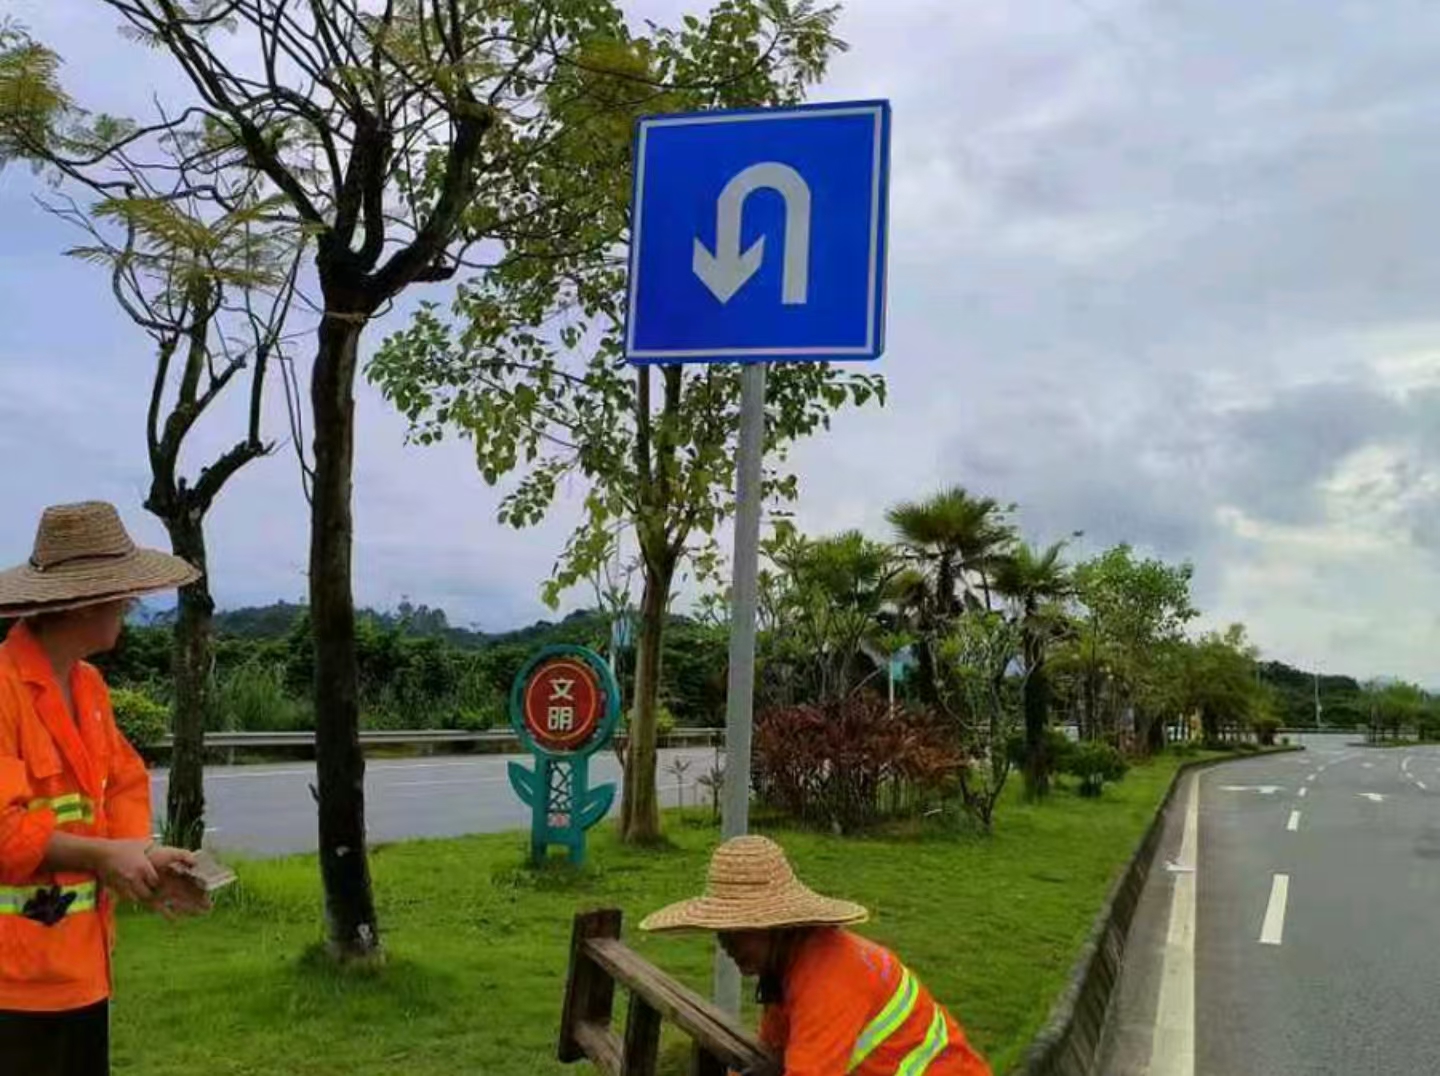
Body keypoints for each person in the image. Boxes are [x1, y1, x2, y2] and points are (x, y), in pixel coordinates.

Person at [0, 501, 213, 1076]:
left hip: (82, 968)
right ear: (83, 601)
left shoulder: (88, 686)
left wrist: (144, 860)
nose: (129, 606)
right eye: (123, 594)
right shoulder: (3, 690)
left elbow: (120, 784)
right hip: (12, 986)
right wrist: (104, 856)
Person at [641, 835, 993, 1076]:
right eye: (721, 931)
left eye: (739, 930)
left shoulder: (827, 980)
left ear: (778, 927)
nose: (726, 945)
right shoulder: (788, 967)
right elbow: (773, 1051)